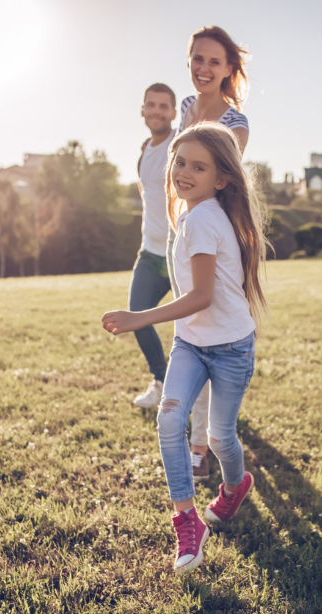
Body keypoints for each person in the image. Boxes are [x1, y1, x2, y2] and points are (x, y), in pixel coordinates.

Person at [102, 122, 269, 574]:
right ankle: (187, 519)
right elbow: (198, 304)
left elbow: (201, 297)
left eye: (199, 166)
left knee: (219, 438)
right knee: (170, 417)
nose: (185, 172)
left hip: (232, 347)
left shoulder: (201, 218)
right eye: (180, 162)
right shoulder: (193, 212)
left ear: (221, 179)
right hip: (192, 345)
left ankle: (234, 488)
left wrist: (139, 318)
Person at [171, 25, 251, 483]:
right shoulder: (185, 107)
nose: (203, 68)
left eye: (214, 62)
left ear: (228, 70)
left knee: (209, 333)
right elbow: (179, 166)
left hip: (213, 235)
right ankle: (203, 437)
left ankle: (203, 444)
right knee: (189, 332)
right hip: (180, 229)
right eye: (197, 59)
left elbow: (215, 178)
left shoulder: (235, 124)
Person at [129, 83, 178, 409]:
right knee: (136, 315)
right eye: (152, 105)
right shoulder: (145, 150)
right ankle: (161, 382)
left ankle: (198, 395)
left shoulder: (181, 143)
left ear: (174, 113)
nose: (157, 111)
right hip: (150, 252)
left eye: (164, 106)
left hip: (180, 253)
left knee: (193, 330)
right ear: (143, 110)